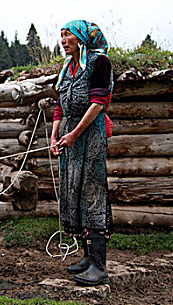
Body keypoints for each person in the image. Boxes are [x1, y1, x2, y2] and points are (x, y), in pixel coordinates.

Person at [50, 20, 114, 286]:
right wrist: (55, 136)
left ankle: (99, 266)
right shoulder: (68, 69)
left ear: (80, 38)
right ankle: (87, 258)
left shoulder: (100, 63)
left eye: (68, 36)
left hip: (91, 135)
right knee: (73, 192)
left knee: (93, 193)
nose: (63, 40)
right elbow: (59, 107)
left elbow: (99, 102)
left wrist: (75, 134)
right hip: (70, 139)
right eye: (61, 36)